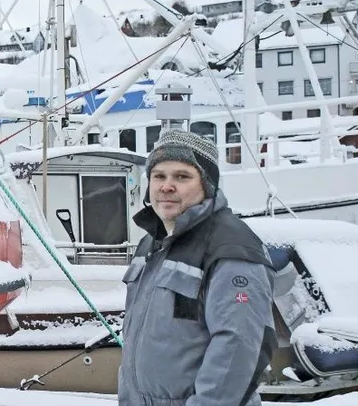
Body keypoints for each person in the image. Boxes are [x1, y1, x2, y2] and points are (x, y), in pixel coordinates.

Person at [118, 129, 277, 406]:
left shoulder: (231, 247)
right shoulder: (151, 243)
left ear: (207, 185)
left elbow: (239, 348)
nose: (166, 186)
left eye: (182, 176)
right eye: (159, 176)